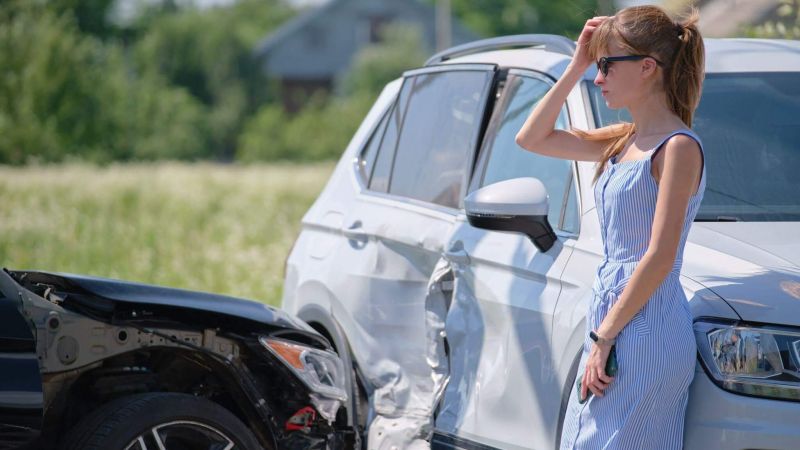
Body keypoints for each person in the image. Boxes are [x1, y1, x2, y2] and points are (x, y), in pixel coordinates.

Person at [514, 4, 705, 449]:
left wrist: (604, 336)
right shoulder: (625, 138)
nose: (597, 79)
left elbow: (659, 256)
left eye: (605, 65)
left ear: (646, 67)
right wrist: (576, 63)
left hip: (647, 323)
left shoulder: (677, 148)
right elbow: (532, 138)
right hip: (613, 319)